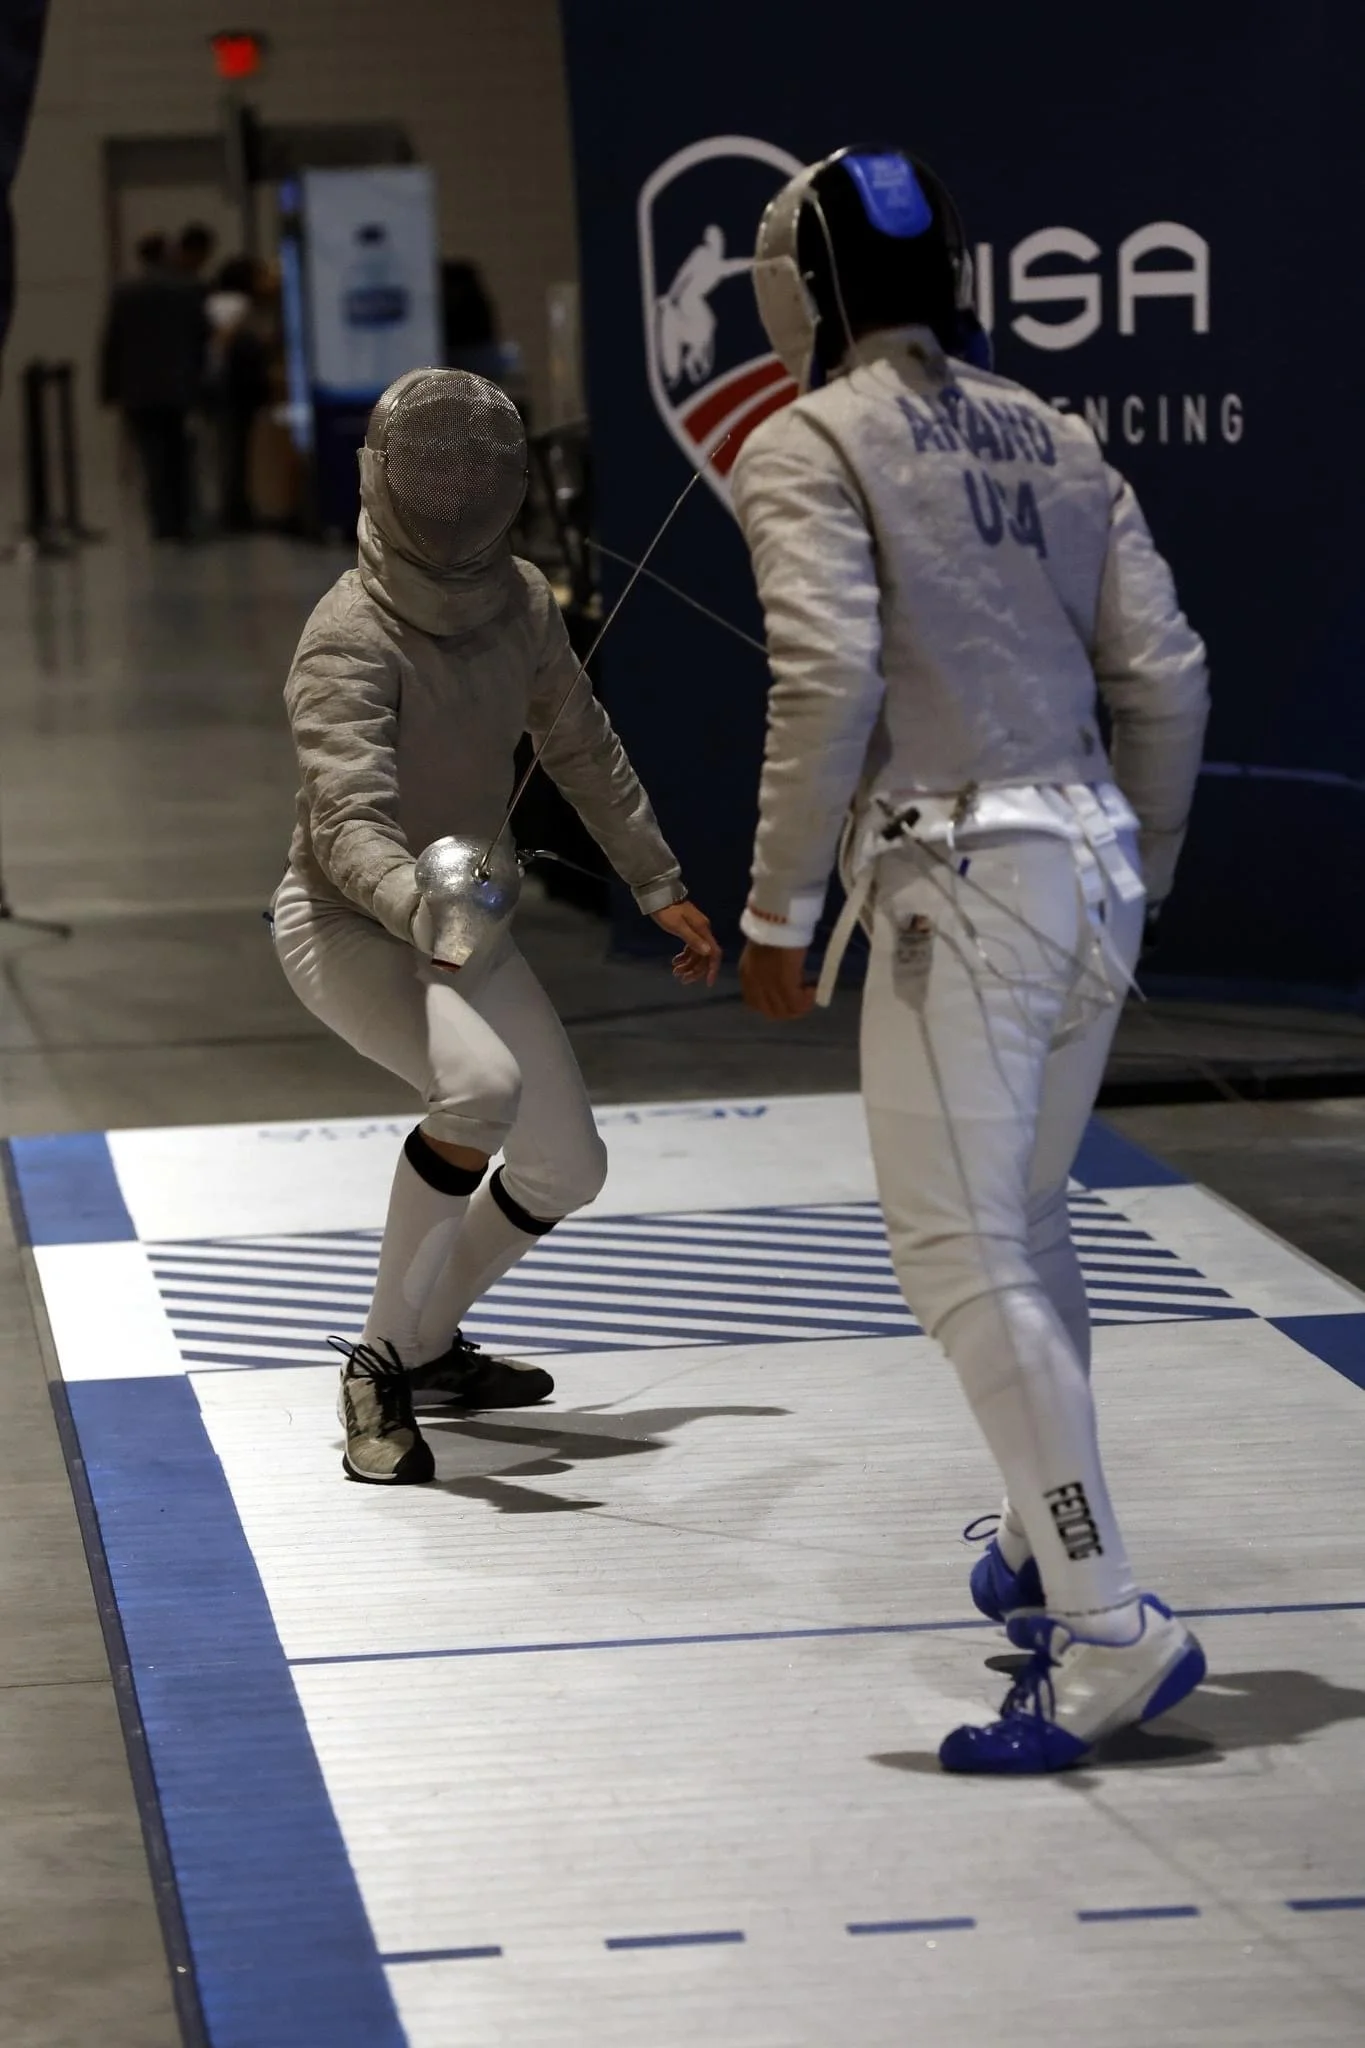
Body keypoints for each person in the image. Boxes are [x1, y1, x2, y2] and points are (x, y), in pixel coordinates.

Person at [731, 146, 1211, 1773]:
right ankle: (1036, 1531)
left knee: (956, 1252)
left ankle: (1105, 1626)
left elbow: (832, 671)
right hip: (1092, 862)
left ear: (802, 292)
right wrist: (1131, 866)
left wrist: (780, 907)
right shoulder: (1060, 435)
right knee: (1021, 1216)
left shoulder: (807, 442)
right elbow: (1169, 678)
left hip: (957, 875)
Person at [273, 366, 719, 1487]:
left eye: (473, 465)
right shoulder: (346, 636)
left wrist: (657, 879)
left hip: (464, 919)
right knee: (478, 1090)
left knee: (568, 1165)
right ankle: (375, 1363)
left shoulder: (518, 597)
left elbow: (581, 743)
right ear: (387, 479)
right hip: (352, 924)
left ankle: (426, 1345)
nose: (454, 483)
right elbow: (348, 822)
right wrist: (418, 901)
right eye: (436, 465)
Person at [100, 232, 208, 540]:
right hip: (178, 386)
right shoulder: (188, 289)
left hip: (139, 390)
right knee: (180, 456)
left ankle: (162, 523)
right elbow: (200, 338)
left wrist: (110, 389)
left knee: (152, 458)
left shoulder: (125, 292)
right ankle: (183, 519)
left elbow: (112, 343)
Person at [205, 255, 272, 530]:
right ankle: (236, 511)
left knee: (225, 448)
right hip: (237, 386)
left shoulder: (211, 302)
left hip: (218, 387)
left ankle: (229, 507)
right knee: (235, 450)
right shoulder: (239, 306)